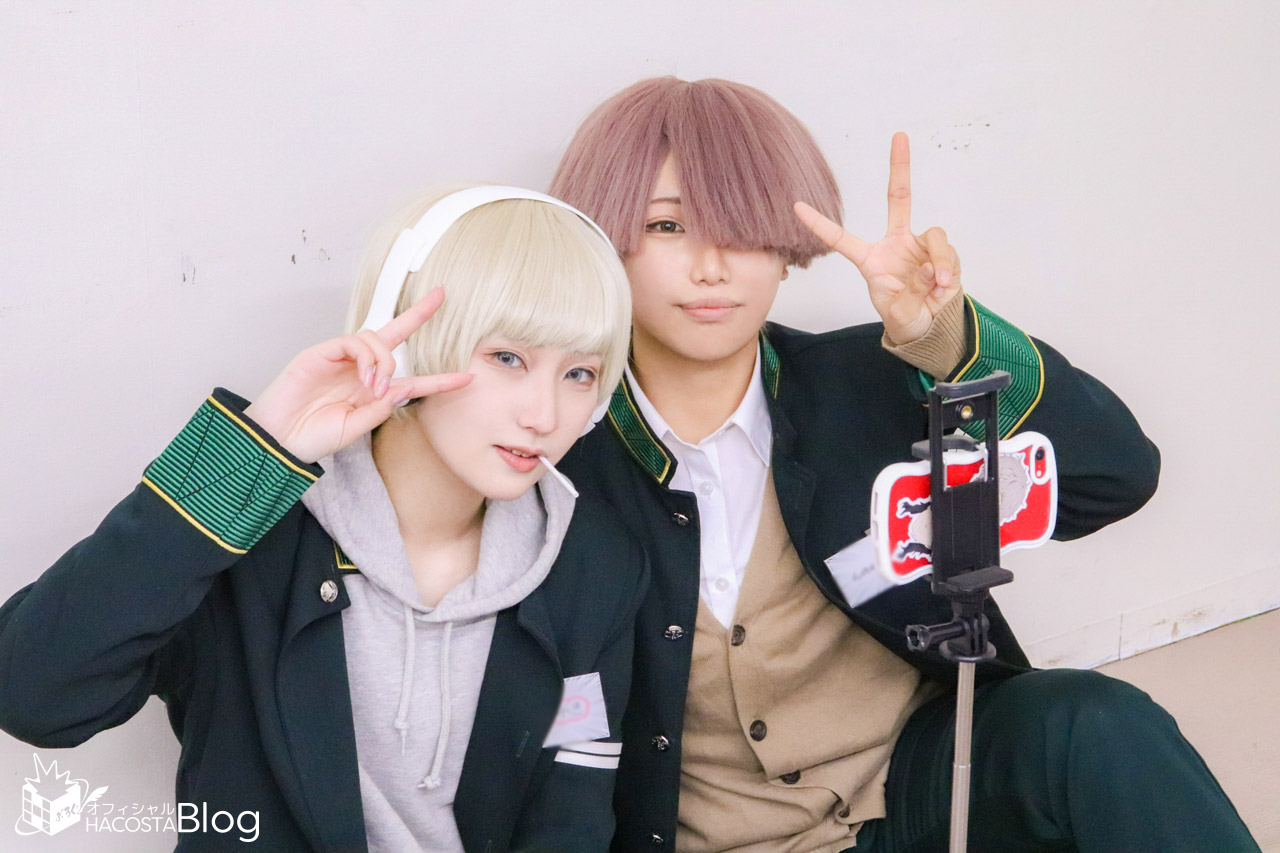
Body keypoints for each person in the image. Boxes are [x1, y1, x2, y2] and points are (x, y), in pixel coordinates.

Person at [551, 78, 1258, 852]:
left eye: (743, 227)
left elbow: (1115, 476)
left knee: (1096, 723)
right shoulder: (552, 453)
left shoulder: (874, 381)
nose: (712, 265)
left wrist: (948, 340)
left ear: (785, 251)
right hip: (708, 837)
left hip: (923, 795)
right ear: (605, 242)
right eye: (667, 225)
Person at [0, 186, 647, 851]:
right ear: (407, 344)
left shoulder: (593, 565)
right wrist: (248, 458)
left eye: (580, 374)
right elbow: (34, 695)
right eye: (508, 358)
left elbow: (570, 814)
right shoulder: (253, 530)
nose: (544, 415)